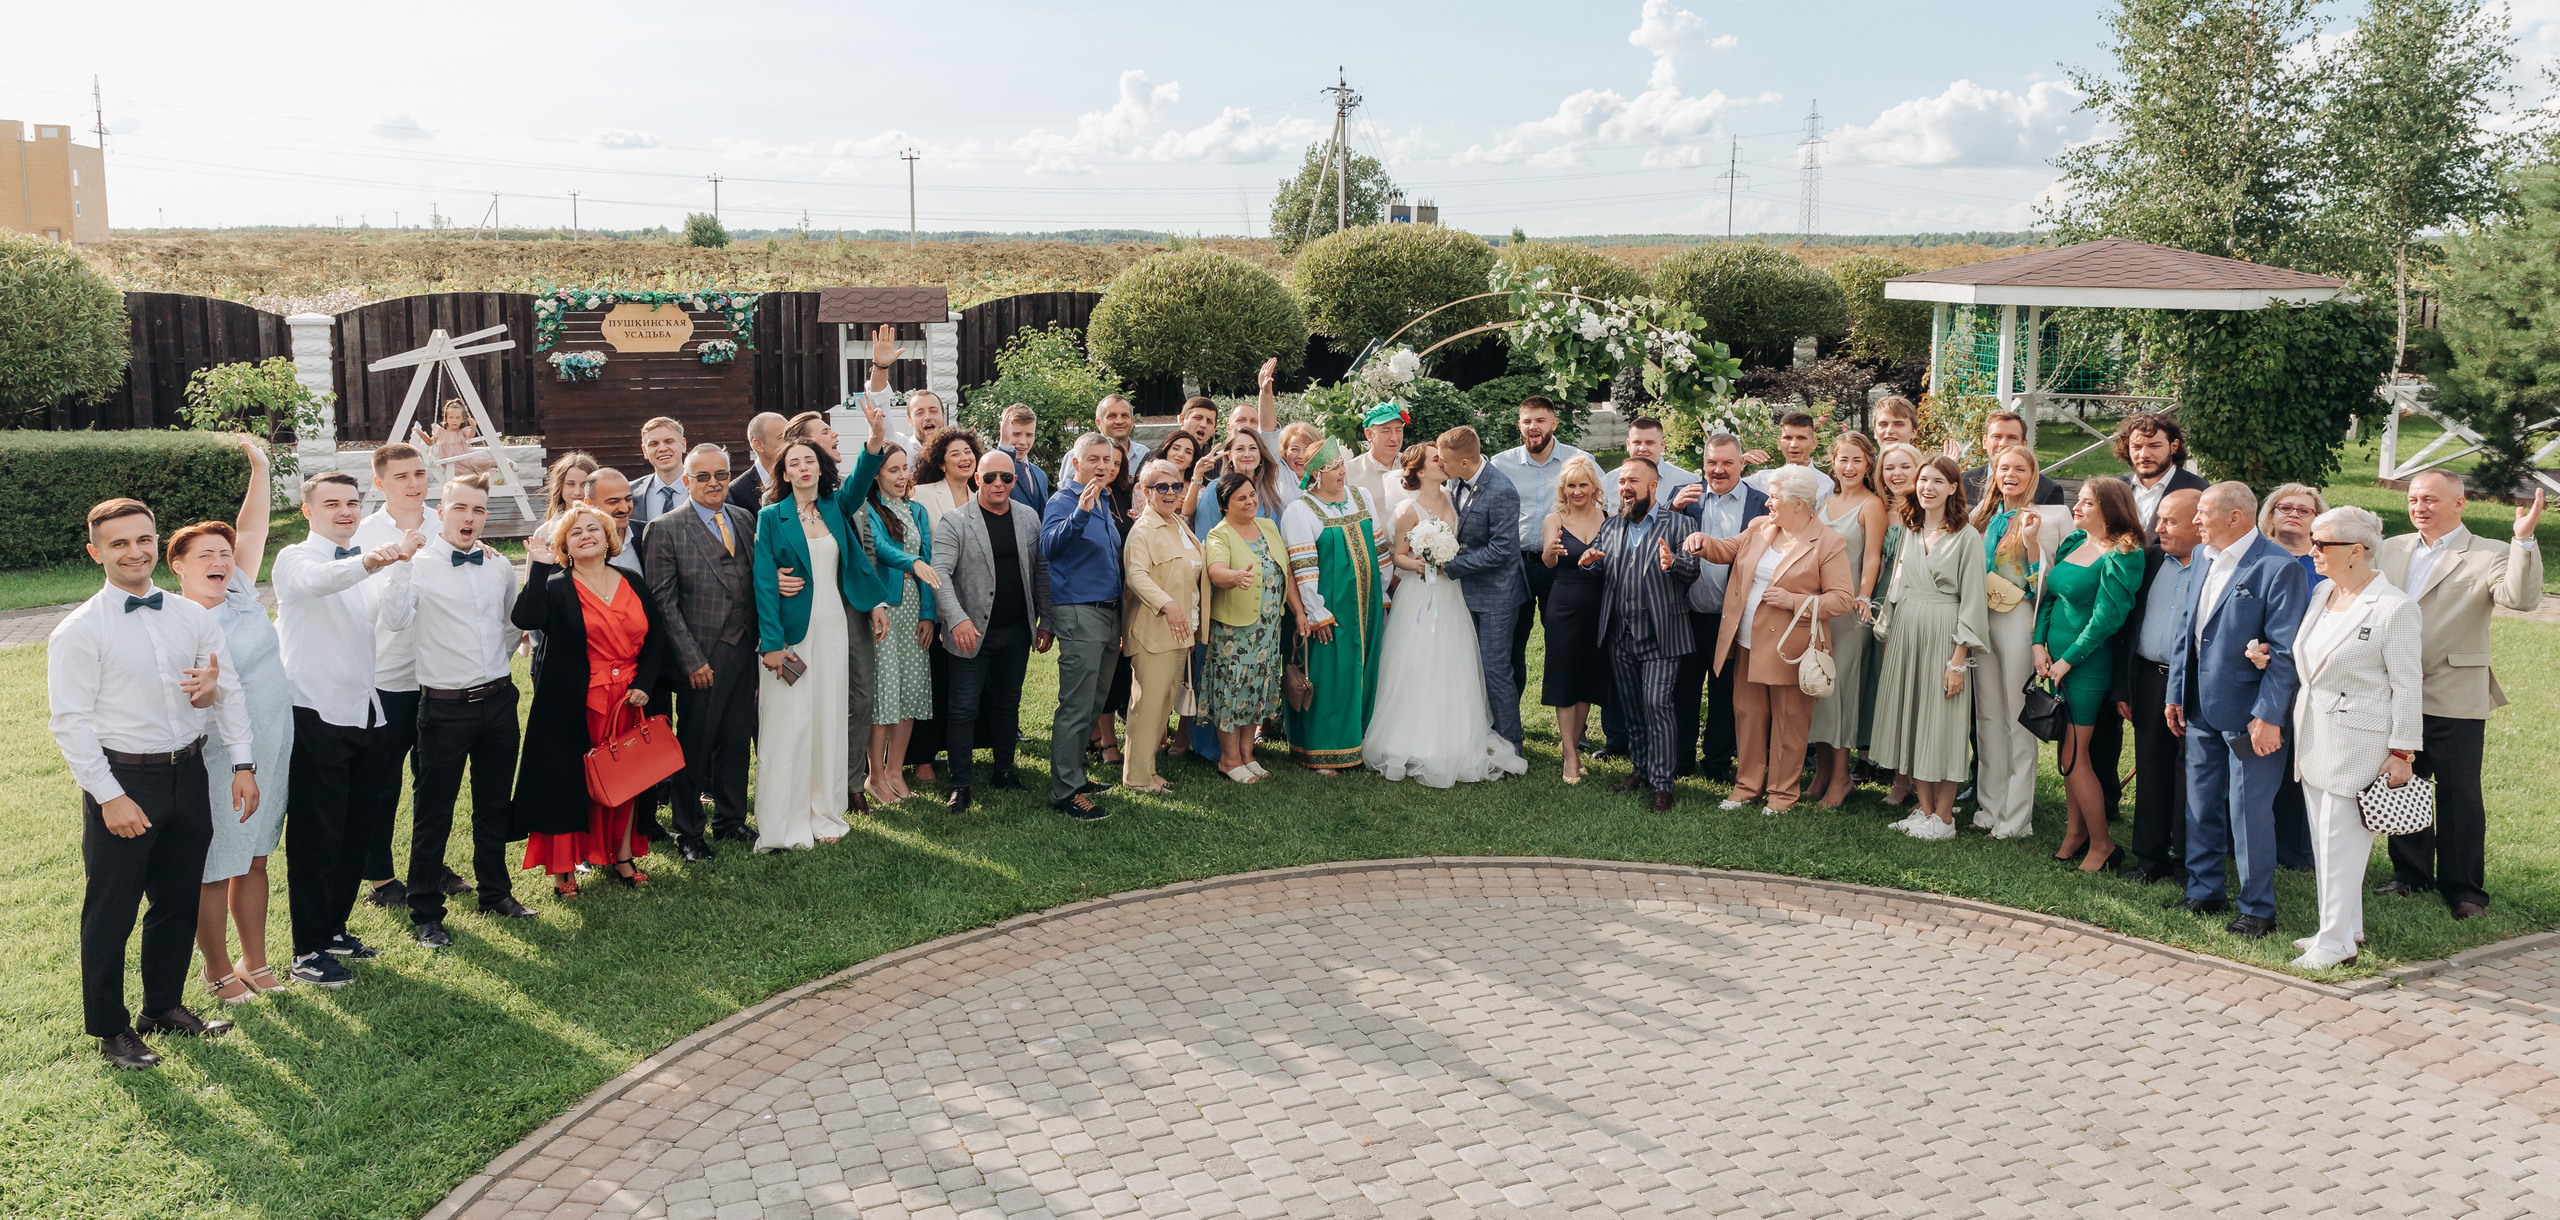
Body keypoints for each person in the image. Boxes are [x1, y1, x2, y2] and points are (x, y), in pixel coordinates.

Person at [51, 498, 257, 1068]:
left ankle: (163, 1007)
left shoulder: (192, 616)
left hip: (188, 773)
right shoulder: (79, 630)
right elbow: (68, 723)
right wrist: (109, 796)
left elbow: (225, 689)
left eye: (143, 539)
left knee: (177, 900)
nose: (135, 551)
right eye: (119, 543)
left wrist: (243, 763)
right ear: (96, 553)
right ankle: (110, 1028)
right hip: (124, 781)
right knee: (111, 911)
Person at [2373, 473, 2544, 920]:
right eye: (2413, 499)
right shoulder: (2391, 548)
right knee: (2402, 783)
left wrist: (2523, 542)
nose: (2419, 506)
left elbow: (2521, 599)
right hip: (2394, 692)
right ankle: (2409, 875)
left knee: (2459, 795)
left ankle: (2464, 888)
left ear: (2459, 503)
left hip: (2454, 692)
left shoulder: (2491, 552)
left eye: (2430, 498)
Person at [274, 472, 421, 987]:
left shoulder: (366, 560)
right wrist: (374, 560)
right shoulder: (296, 559)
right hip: (315, 715)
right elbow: (320, 583)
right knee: (317, 837)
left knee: (353, 834)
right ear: (308, 511)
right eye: (331, 503)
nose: (345, 511)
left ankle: (334, 931)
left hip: (366, 714)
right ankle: (306, 951)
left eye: (352, 503)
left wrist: (401, 565)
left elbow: (398, 620)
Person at [2262, 506, 2422, 970]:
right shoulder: (2323, 593)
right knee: (2327, 840)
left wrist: (2401, 752)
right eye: (2312, 540)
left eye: (2321, 544)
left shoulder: (2395, 607)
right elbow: (2310, 659)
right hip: (2314, 733)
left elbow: (2409, 684)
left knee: (2340, 843)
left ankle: (2333, 944)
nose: (2311, 550)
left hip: (2362, 742)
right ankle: (2346, 929)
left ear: (2356, 551)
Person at [379, 475, 531, 948]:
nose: (469, 517)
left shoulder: (498, 565)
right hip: (444, 709)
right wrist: (402, 563)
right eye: (460, 508)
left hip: (499, 701)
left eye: (479, 510)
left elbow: (512, 625)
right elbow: (396, 619)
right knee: (433, 813)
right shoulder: (417, 565)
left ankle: (496, 893)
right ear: (439, 510)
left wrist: (492, 672)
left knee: (493, 805)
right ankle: (425, 910)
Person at [168, 441, 292, 1007]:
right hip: (221, 755)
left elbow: (254, 526)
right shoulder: (177, 623)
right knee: (217, 862)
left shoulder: (240, 593)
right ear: (178, 566)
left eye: (224, 552)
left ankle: (254, 959)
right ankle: (216, 969)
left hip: (274, 742)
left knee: (257, 855)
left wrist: (260, 467)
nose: (219, 561)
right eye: (204, 556)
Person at [2165, 482, 2311, 939]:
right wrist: (2175, 693)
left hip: (2251, 714)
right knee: (2200, 804)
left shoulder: (2277, 567)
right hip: (2198, 706)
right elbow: (2185, 634)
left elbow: (2286, 652)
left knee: (2249, 812)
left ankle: (2257, 908)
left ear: (2235, 518)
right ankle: (2205, 889)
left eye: (2202, 513)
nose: (2194, 522)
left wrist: (2268, 714)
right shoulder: (2202, 560)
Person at [514, 505, 669, 893]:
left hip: (629, 702)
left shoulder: (632, 579)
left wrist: (646, 684)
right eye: (574, 532)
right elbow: (525, 617)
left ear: (607, 538)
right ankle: (565, 867)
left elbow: (655, 639)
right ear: (563, 545)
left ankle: (621, 856)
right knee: (571, 782)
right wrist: (537, 566)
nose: (585, 535)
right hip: (574, 704)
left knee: (627, 779)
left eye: (592, 529)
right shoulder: (555, 585)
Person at [1685, 465, 1854, 814]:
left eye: (1775, 498)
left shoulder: (1828, 542)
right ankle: (1746, 788)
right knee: (1747, 715)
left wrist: (1793, 601)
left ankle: (1781, 795)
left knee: (1789, 723)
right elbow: (1729, 549)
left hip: (1789, 650)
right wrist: (1705, 544)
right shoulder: (1760, 527)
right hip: (1745, 641)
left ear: (1799, 503)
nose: (1768, 504)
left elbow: (1842, 598)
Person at [781, 346, 905, 812]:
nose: (832, 437)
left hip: (852, 607)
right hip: (804, 613)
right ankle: (813, 780)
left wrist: (874, 601)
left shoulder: (838, 498)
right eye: (823, 434)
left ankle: (852, 781)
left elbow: (864, 543)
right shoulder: (778, 506)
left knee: (859, 695)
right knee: (811, 696)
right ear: (799, 452)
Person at [1365, 445, 1531, 787]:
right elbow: (1398, 556)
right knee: (1417, 663)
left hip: (1454, 592)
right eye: (1435, 459)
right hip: (1421, 594)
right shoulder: (1406, 509)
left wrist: (1447, 564)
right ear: (1421, 471)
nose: (1443, 462)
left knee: (1458, 663)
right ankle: (1414, 737)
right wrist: (1424, 564)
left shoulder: (1454, 495)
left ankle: (1460, 734)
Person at [641, 442, 762, 861]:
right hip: (701, 657)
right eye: (704, 477)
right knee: (695, 744)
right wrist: (692, 659)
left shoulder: (745, 518)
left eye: (722, 475)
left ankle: (730, 819)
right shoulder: (665, 528)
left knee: (734, 739)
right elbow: (663, 604)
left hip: (744, 648)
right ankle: (689, 831)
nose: (714, 483)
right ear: (687, 480)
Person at [1869, 457, 1988, 839]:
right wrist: (1889, 635)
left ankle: (1945, 817)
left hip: (1943, 632)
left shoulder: (1967, 537)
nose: (1927, 487)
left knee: (1944, 723)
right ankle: (1923, 811)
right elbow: (1898, 588)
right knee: (1914, 717)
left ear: (1954, 488)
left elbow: (1973, 600)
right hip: (1908, 630)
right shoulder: (1910, 529)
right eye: (1923, 480)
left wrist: (1958, 662)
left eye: (1938, 481)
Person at [2032, 478, 2146, 872]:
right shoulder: (2072, 543)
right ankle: (2076, 832)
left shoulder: (2125, 553)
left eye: (2086, 502)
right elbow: (2049, 596)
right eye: (2077, 500)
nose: (2075, 507)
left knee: (2074, 756)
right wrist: (2038, 644)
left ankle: (2103, 845)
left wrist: (2068, 661)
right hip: (2054, 659)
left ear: (2110, 508)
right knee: (2067, 754)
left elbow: (2106, 620)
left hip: (2087, 666)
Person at [931, 449, 1052, 810]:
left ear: (1014, 480)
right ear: (976, 479)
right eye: (989, 477)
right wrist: (958, 619)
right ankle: (960, 784)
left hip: (1016, 631)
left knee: (1007, 704)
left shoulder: (1029, 516)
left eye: (1006, 478)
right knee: (963, 710)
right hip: (970, 634)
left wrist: (1047, 618)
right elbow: (939, 576)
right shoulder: (956, 521)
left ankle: (1004, 772)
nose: (998, 484)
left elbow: (1041, 570)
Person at [752, 440, 860, 848]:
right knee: (789, 724)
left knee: (828, 718)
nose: (802, 468)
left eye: (809, 461)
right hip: (789, 633)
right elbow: (764, 582)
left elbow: (866, 471)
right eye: (793, 463)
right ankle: (784, 821)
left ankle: (825, 815)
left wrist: (873, 437)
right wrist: (773, 644)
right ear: (783, 473)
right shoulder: (770, 517)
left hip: (833, 627)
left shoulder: (836, 508)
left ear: (820, 467)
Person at [354, 443, 443, 911]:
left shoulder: (445, 524)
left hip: (440, 673)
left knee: (432, 778)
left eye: (419, 474)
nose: (413, 484)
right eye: (401, 477)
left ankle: (429, 867)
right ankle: (380, 876)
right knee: (382, 781)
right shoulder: (365, 534)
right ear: (380, 484)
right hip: (388, 677)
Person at [1968, 443, 2071, 839]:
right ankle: (1988, 807)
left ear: (2033, 475)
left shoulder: (2049, 516)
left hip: (2018, 618)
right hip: (1983, 617)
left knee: (2015, 717)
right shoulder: (1982, 517)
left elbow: (2049, 579)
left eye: (2019, 469)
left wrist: (2030, 541)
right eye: (2003, 468)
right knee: (1988, 716)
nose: (2010, 475)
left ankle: (2016, 818)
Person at [1592, 458, 1702, 811]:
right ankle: (1640, 768)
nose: (1625, 486)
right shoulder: (1611, 527)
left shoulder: (1680, 524)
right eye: (1622, 480)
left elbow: (1692, 571)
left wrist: (1675, 564)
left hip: (1662, 634)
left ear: (1653, 486)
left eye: (1633, 481)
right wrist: (1590, 563)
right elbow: (1600, 564)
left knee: (1657, 704)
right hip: (1620, 633)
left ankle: (1663, 783)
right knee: (1632, 706)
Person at [2111, 487, 2204, 886]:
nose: (2157, 528)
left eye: (2170, 521)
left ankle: (2187, 863)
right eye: (2158, 519)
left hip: (2195, 688)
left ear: (2200, 524)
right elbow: (2127, 629)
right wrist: (2123, 688)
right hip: (2149, 681)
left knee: (2191, 777)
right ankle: (2149, 858)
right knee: (2151, 770)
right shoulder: (2149, 562)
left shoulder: (2214, 569)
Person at [1283, 438, 1390, 773]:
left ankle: (1359, 743)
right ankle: (1322, 751)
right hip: (1331, 609)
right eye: (1332, 468)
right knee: (1329, 676)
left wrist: (1383, 591)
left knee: (1364, 669)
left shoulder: (1362, 497)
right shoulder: (1301, 510)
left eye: (1341, 465)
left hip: (1368, 603)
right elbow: (1302, 566)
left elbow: (1379, 548)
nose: (1341, 472)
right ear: (1315, 475)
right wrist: (1316, 612)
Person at [1668, 434, 1769, 782]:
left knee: (1725, 691)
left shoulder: (1761, 504)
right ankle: (1681, 759)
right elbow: (1659, 541)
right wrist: (1673, 509)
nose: (1719, 469)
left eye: (1727, 462)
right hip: (1688, 613)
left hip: (1733, 618)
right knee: (1684, 689)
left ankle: (1716, 762)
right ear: (1704, 463)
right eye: (1712, 462)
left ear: (1742, 463)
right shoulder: (1686, 498)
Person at [1042, 433, 1126, 820]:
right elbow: (1049, 548)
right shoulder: (1062, 501)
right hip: (1079, 612)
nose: (1102, 467)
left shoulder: (1107, 502)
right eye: (1093, 459)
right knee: (1076, 704)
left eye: (1108, 460)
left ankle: (1074, 773)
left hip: (1109, 614)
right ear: (1076, 463)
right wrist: (1080, 512)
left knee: (1094, 701)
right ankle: (1065, 792)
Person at [1492, 396, 1592, 706]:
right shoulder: (1500, 464)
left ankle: (1575, 726)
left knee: (1567, 643)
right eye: (1527, 421)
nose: (1533, 427)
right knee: (1511, 643)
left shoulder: (1579, 461)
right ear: (1519, 425)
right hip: (1514, 564)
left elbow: (1605, 504)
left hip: (1562, 565)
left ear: (1553, 423)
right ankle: (1507, 721)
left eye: (1540, 420)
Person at [1119, 459, 1209, 794]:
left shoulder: (1177, 524)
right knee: (1147, 707)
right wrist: (1168, 606)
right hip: (1154, 633)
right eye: (1161, 487)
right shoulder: (1143, 531)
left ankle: (1149, 770)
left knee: (1161, 707)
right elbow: (1137, 576)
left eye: (1176, 486)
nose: (1170, 493)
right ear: (1145, 491)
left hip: (1181, 633)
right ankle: (1137, 778)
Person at [1437, 426, 1529, 750]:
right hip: (1465, 591)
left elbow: (1503, 550)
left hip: (1497, 595)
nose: (1439, 464)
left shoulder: (1502, 490)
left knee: (1495, 669)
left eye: (1444, 460)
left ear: (1465, 462)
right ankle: (1479, 733)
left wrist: (1451, 566)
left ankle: (1510, 744)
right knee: (1470, 666)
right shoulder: (1454, 480)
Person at [860, 444, 942, 804]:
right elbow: (879, 548)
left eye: (903, 469)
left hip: (914, 609)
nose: (900, 476)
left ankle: (896, 769)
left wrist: (928, 614)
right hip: (885, 610)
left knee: (909, 692)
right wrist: (913, 563)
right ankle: (875, 775)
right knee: (884, 693)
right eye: (891, 469)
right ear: (876, 474)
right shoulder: (867, 510)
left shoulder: (917, 510)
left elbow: (927, 560)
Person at [1807, 433, 1886, 806]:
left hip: (1852, 611)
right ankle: (1822, 772)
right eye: (1843, 460)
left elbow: (1872, 558)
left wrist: (1863, 595)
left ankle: (1842, 777)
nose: (1849, 467)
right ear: (1833, 463)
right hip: (1821, 610)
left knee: (1840, 692)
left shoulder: (1871, 505)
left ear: (1868, 464)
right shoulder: (1827, 500)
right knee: (1820, 690)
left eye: (1857, 460)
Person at [2255, 481, 2330, 872]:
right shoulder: (2256, 559)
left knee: (2300, 766)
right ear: (2270, 514)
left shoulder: (2325, 566)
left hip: (2310, 680)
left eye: (2305, 510)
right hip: (2256, 676)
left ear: (2317, 519)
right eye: (2286, 507)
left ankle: (2298, 850)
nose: (2294, 515)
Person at [1202, 472, 1295, 783]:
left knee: (1254, 690)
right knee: (1232, 691)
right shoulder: (1220, 534)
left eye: (1252, 494)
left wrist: (1299, 611)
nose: (1250, 500)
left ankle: (1247, 754)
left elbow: (1287, 572)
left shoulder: (1268, 526)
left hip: (1268, 629)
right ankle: (1228, 760)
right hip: (1235, 633)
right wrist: (1234, 578)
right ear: (1225, 505)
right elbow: (1216, 572)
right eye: (1241, 497)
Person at [1539, 455, 1611, 784]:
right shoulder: (1555, 519)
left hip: (1599, 606)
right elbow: (1548, 563)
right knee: (1564, 676)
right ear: (1563, 488)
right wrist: (1552, 551)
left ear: (1594, 487)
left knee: (1587, 680)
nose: (1577, 491)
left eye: (1583, 484)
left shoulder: (1609, 519)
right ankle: (1569, 754)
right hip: (1564, 605)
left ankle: (1574, 745)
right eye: (1571, 485)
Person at [1862, 441, 1923, 803]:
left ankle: (1912, 779)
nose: (1896, 474)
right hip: (1884, 600)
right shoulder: (1880, 509)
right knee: (1886, 688)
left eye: (1904, 467)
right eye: (1889, 468)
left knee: (1911, 689)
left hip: (1918, 602)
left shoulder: (1930, 508)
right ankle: (1893, 774)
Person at [2115, 412, 2207, 532]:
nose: (2144, 455)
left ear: (2174, 446)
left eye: (2154, 446)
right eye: (2137, 447)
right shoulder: (2117, 486)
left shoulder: (2199, 491)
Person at [1959, 410, 2067, 506]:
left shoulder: (2048, 490)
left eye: (2012, 437)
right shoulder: (1964, 480)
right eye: (1997, 436)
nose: (2003, 444)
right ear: (1984, 442)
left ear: (2024, 444)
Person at [1601, 415, 1701, 508]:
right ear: (1628, 444)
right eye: (1637, 442)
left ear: (1662, 445)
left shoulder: (1687, 482)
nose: (1643, 448)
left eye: (1649, 443)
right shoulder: (1607, 483)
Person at [1741, 412, 1837, 507]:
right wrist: (1741, 461)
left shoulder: (1828, 486)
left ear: (1813, 443)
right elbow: (1731, 491)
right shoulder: (1761, 480)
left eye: (1801, 438)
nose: (1793, 444)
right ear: (1779, 443)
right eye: (1788, 438)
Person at [1342, 401, 1409, 529]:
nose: (1394, 438)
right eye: (1386, 431)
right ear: (1369, 435)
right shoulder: (1348, 471)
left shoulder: (1413, 465)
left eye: (1398, 430)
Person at [410, 397, 499, 475]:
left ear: (462, 420)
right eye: (451, 418)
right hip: (452, 464)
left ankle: (506, 463)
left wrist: (473, 427)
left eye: (457, 418)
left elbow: (471, 435)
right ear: (446, 419)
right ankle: (498, 469)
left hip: (468, 459)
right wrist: (420, 433)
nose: (454, 421)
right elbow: (431, 442)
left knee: (480, 463)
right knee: (470, 475)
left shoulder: (462, 431)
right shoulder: (440, 431)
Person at [629, 415, 690, 527]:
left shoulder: (704, 487)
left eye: (669, 441)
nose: (662, 448)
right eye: (654, 444)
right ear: (645, 451)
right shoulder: (630, 493)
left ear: (683, 444)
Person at [914, 428, 983, 525]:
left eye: (968, 452)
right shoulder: (921, 494)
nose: (965, 458)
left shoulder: (980, 501)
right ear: (942, 464)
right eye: (955, 454)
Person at [994, 404, 1051, 511]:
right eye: (1016, 434)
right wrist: (1004, 444)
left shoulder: (1040, 475)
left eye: (1029, 435)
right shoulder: (994, 468)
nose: (1022, 442)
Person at [728, 411, 788, 512]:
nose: (790, 442)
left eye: (791, 436)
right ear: (758, 445)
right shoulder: (736, 492)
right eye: (782, 437)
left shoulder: (797, 477)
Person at [538, 451, 598, 533]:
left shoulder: (609, 527)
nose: (577, 492)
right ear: (560, 486)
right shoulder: (543, 533)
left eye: (584, 485)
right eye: (571, 484)